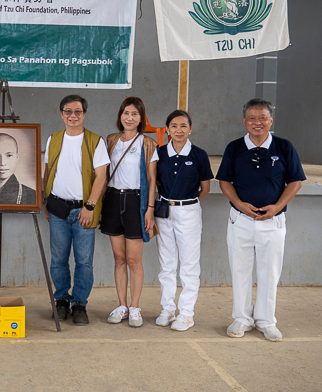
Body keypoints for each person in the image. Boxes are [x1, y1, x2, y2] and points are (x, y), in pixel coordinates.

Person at [217, 98, 305, 342]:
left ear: (270, 120)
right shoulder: (234, 148)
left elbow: (295, 181)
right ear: (245, 121)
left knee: (270, 272)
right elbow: (225, 181)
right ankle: (242, 318)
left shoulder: (284, 147)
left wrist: (277, 207)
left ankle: (267, 321)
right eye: (252, 119)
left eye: (262, 118)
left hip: (273, 222)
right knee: (240, 269)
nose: (257, 123)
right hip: (240, 220)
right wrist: (239, 204)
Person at [43, 94, 109, 324]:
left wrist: (90, 206)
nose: (73, 116)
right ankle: (61, 299)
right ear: (61, 114)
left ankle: (79, 303)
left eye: (78, 111)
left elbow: (101, 176)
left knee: (84, 261)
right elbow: (48, 172)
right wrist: (45, 201)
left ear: (84, 114)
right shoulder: (54, 139)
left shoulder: (95, 141)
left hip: (84, 211)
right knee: (58, 259)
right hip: (58, 209)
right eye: (68, 111)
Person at [154, 110, 213, 331]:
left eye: (183, 126)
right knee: (166, 263)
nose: (179, 130)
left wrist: (188, 205)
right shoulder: (159, 153)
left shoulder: (199, 154)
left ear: (190, 129)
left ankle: (186, 313)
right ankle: (167, 309)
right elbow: (155, 182)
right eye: (174, 126)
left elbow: (205, 187)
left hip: (189, 211)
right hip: (164, 212)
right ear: (167, 129)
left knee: (189, 265)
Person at [102, 96, 158, 328]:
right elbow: (103, 173)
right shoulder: (111, 140)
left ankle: (135, 307)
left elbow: (152, 179)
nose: (130, 117)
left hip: (137, 201)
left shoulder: (148, 144)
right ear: (120, 116)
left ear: (141, 118)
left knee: (134, 260)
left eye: (135, 113)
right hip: (114, 199)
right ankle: (122, 305)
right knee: (119, 258)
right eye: (126, 112)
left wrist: (150, 209)